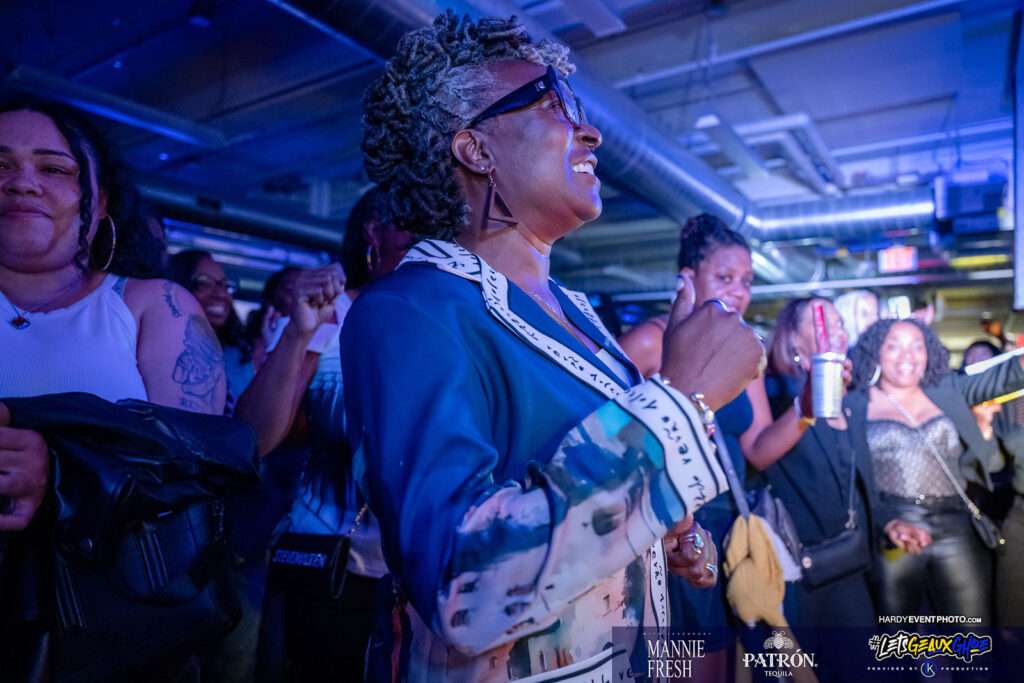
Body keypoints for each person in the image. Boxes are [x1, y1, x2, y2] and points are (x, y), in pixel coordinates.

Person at [345, 12, 764, 682]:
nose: (589, 130)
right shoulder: (409, 310)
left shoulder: (576, 312)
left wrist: (667, 529)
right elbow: (460, 583)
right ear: (475, 149)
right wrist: (680, 404)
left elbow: (598, 499)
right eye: (553, 105)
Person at [0, 99, 225, 676]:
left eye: (54, 168)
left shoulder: (155, 305)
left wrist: (61, 473)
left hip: (110, 630)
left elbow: (202, 469)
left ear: (99, 203)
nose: (21, 181)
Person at [619, 215, 836, 680]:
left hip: (728, 522)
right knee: (689, 664)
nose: (738, 291)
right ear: (687, 277)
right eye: (725, 277)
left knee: (729, 662)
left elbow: (757, 448)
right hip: (675, 526)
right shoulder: (650, 340)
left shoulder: (745, 349)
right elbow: (607, 434)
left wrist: (804, 407)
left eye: (746, 281)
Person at [237, 186, 414, 682]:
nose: (431, 240)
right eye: (414, 225)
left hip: (422, 572)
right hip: (332, 563)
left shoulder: (445, 319)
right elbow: (252, 438)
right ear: (373, 234)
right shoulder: (330, 314)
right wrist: (299, 332)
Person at [849, 318, 1024, 628]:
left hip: (955, 524)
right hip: (893, 527)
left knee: (972, 637)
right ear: (875, 352)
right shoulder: (853, 404)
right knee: (897, 639)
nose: (907, 355)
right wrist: (883, 520)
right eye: (894, 346)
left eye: (917, 346)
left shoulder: (947, 389)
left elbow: (1006, 377)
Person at [759, 297, 878, 683]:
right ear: (794, 339)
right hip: (800, 567)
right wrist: (806, 405)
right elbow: (759, 453)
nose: (836, 330)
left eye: (840, 323)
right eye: (822, 322)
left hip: (848, 560)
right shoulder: (777, 392)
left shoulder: (851, 398)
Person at [169, 249, 253, 412]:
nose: (221, 294)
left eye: (225, 285)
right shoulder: (159, 348)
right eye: (204, 283)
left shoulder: (238, 355)